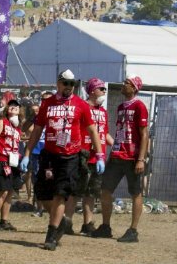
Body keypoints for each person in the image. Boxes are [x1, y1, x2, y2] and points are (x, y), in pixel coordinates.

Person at [20, 70, 102, 251]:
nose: (68, 86)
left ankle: (52, 234)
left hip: (70, 156)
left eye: (71, 84)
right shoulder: (47, 104)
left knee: (60, 193)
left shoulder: (81, 105)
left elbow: (92, 130)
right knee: (42, 192)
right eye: (65, 83)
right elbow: (37, 130)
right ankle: (62, 220)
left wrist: (101, 155)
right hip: (49, 154)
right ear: (58, 83)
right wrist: (27, 153)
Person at [92, 76, 149, 243]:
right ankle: (105, 226)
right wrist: (112, 152)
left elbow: (144, 134)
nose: (123, 85)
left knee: (135, 192)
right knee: (105, 189)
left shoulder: (139, 106)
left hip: (132, 157)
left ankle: (133, 230)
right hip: (117, 155)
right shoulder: (121, 107)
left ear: (134, 88)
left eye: (127, 83)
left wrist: (141, 159)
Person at [66, 77, 112, 236]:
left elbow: (105, 134)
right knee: (75, 191)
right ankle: (67, 222)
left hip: (97, 157)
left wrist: (118, 147)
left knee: (91, 193)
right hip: (82, 154)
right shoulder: (81, 107)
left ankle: (87, 224)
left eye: (104, 89)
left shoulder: (103, 112)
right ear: (92, 90)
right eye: (102, 89)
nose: (104, 92)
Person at [0, 99, 23, 231]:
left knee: (10, 192)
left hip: (14, 162)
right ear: (7, 109)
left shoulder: (18, 128)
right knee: (3, 191)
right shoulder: (2, 122)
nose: (14, 107)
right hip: (2, 160)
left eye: (17, 106)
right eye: (11, 106)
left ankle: (4, 220)